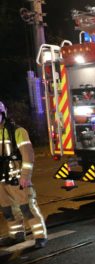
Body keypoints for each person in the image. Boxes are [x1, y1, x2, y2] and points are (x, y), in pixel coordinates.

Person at [0, 101, 47, 248]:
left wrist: (25, 176)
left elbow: (28, 156)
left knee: (27, 208)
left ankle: (40, 236)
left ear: (3, 114)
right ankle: (17, 235)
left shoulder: (18, 131)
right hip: (1, 181)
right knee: (8, 210)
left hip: (17, 178)